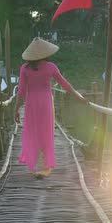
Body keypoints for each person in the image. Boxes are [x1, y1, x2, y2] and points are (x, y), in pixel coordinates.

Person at [14, 37, 88, 179]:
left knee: (33, 132)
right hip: (46, 103)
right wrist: (80, 98)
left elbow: (21, 92)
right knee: (46, 132)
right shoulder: (51, 67)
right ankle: (45, 166)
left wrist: (16, 109)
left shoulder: (24, 68)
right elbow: (66, 85)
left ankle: (35, 166)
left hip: (31, 104)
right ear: (45, 53)